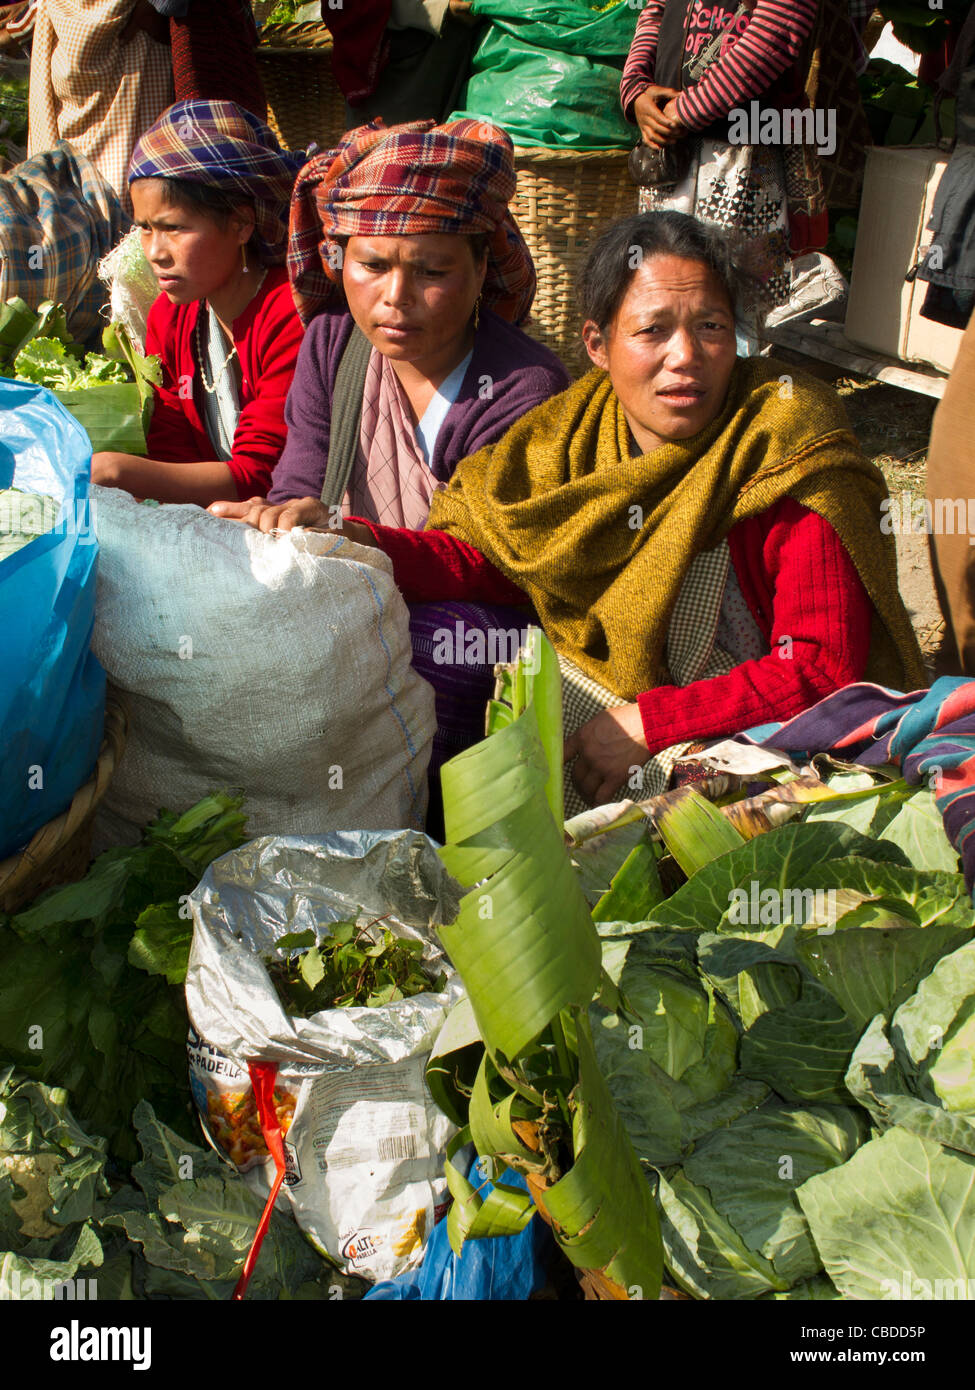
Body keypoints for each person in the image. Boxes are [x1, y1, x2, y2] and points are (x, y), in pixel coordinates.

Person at [218, 212, 925, 813]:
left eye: (710, 326)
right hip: (602, 698)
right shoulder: (560, 438)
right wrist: (343, 535)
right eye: (651, 331)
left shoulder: (781, 439)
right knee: (438, 646)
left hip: (754, 731)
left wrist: (652, 720)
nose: (685, 358)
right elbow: (486, 563)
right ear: (597, 345)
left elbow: (822, 664)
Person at [214, 116, 568, 529]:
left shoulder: (522, 389)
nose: (396, 296)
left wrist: (357, 538)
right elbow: (299, 486)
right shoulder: (332, 343)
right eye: (373, 265)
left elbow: (491, 560)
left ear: (480, 268)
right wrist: (280, 518)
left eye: (432, 272)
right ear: (340, 260)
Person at [90, 98, 306, 506]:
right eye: (146, 229)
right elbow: (171, 450)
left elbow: (262, 473)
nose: (155, 252)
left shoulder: (288, 313)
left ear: (241, 223)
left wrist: (117, 473)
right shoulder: (169, 316)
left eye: (174, 228)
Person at [620, 0, 825, 339]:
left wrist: (686, 110)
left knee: (735, 303)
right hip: (670, 153)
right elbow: (655, 11)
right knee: (662, 287)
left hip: (743, 158)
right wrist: (636, 90)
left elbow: (776, 34)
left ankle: (739, 387)